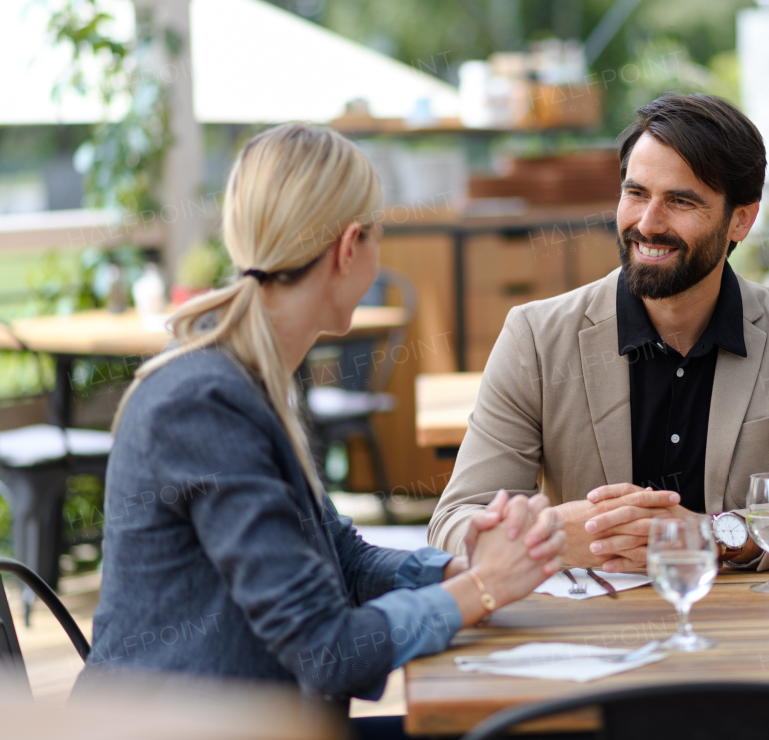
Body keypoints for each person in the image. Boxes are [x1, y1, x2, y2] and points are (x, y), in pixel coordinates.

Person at [75, 124, 565, 714]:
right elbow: (326, 649)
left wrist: (462, 568)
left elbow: (344, 560)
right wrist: (479, 590)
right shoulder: (202, 404)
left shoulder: (251, 381)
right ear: (349, 246)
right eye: (378, 235)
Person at [429, 94, 769, 572]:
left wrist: (713, 534)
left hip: (743, 630)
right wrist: (555, 535)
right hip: (588, 635)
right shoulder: (535, 337)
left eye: (679, 201)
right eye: (636, 194)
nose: (647, 225)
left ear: (742, 219)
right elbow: (454, 522)